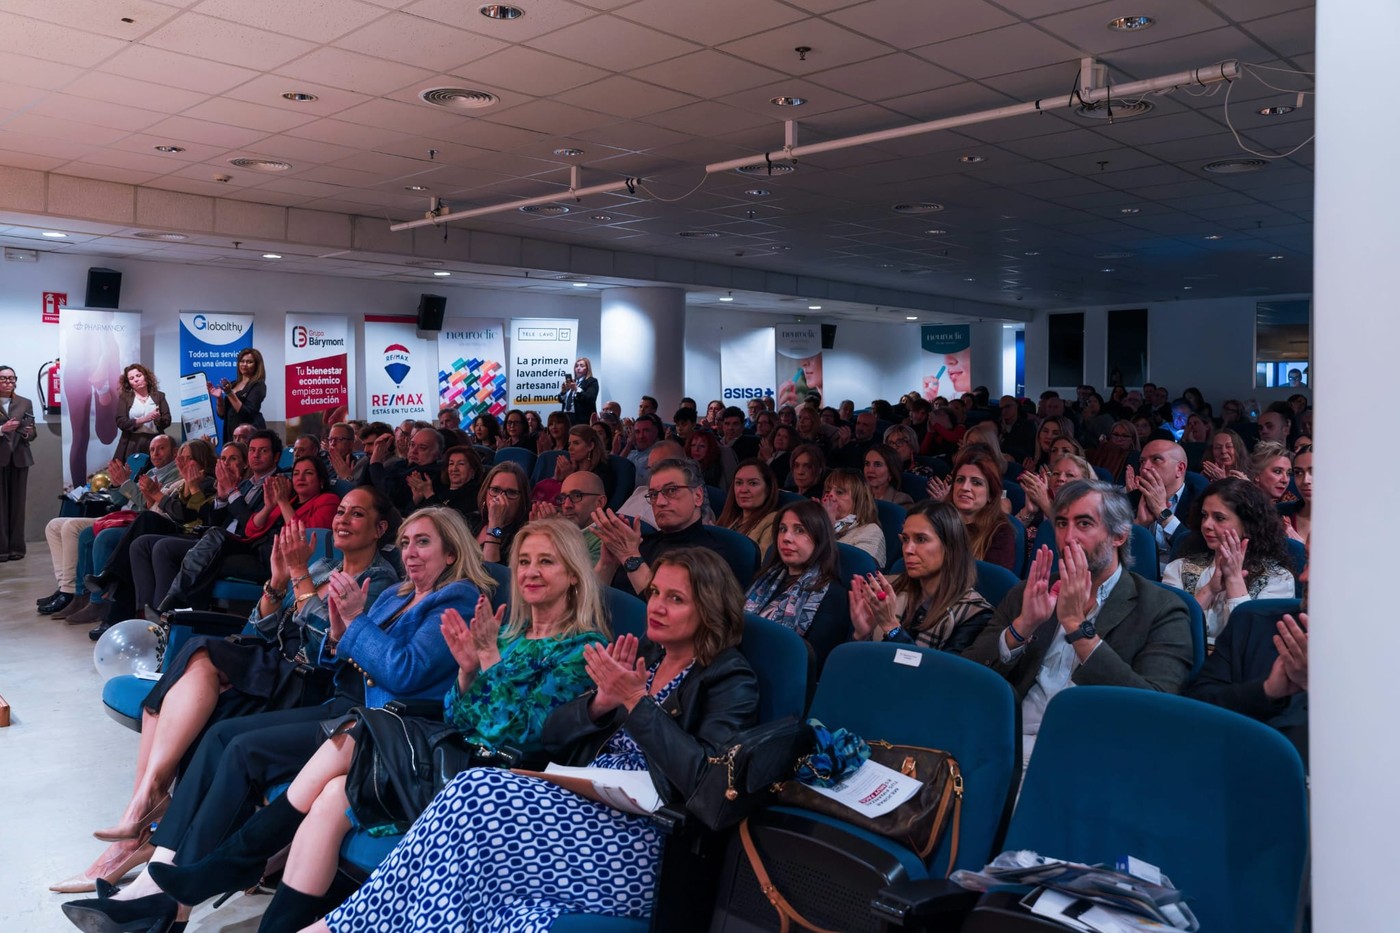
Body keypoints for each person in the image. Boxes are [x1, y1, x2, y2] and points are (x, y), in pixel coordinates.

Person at [150, 520, 612, 932]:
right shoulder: (506, 632)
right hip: (449, 754)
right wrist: (469, 672)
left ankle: (227, 866)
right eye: (525, 560)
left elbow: (520, 736)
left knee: (357, 728)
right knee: (332, 793)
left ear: (573, 573)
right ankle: (264, 909)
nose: (530, 571)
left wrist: (485, 662)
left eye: (546, 562)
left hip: (488, 788)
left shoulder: (583, 648)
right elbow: (458, 713)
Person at [60, 508, 488, 933]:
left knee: (246, 750)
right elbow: (337, 658)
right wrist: (340, 634)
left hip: (388, 726)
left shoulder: (458, 598)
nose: (411, 552)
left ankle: (171, 893)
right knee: (221, 735)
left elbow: (404, 671)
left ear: (450, 553)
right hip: (351, 709)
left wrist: (355, 624)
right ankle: (162, 870)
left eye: (424, 542)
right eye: (408, 541)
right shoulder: (397, 593)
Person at [300, 547, 758, 933]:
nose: (655, 606)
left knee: (476, 790)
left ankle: (337, 927)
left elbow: (706, 784)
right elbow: (554, 736)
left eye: (674, 598)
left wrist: (636, 703)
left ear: (710, 608)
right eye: (655, 592)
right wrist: (600, 704)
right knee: (502, 907)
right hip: (586, 809)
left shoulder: (728, 677)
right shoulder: (648, 658)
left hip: (645, 843)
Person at [50, 490, 401, 894]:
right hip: (275, 668)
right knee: (175, 693)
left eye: (356, 515)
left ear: (379, 529)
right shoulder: (321, 566)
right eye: (340, 511)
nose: (342, 520)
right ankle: (144, 820)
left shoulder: (379, 585)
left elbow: (329, 652)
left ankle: (145, 822)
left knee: (201, 662)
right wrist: (275, 582)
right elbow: (260, 631)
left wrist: (298, 577)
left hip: (310, 684)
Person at [963, 480, 1194, 768]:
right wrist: (1021, 629)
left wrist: (1077, 626)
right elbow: (969, 674)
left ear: (1119, 536)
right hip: (1005, 737)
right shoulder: (1031, 591)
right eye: (1061, 523)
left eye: (1084, 524)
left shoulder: (1162, 608)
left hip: (1089, 752)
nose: (1067, 537)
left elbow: (1155, 710)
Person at [153, 454, 341, 614]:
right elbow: (251, 529)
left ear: (321, 480)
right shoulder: (290, 499)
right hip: (254, 547)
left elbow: (307, 536)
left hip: (278, 561)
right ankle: (176, 605)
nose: (300, 478)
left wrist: (282, 503)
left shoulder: (327, 500)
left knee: (208, 561)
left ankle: (177, 609)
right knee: (215, 534)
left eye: (308, 474)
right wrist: (269, 507)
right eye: (297, 473)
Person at [82, 440, 219, 638]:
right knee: (138, 544)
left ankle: (111, 581)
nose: (184, 463)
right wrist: (149, 495)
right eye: (182, 458)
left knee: (144, 524)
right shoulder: (179, 481)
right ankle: (138, 613)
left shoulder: (205, 482)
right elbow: (144, 504)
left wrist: (156, 494)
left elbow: (187, 515)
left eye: (190, 458)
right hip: (160, 525)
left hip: (185, 532)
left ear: (202, 461)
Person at [38, 435, 177, 618]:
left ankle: (82, 596)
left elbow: (148, 504)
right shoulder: (150, 472)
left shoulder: (175, 473)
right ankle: (66, 588)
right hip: (122, 515)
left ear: (175, 452)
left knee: (75, 528)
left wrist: (126, 484)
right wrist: (116, 483)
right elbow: (118, 500)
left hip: (136, 520)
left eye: (161, 448)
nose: (155, 453)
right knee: (54, 526)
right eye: (152, 449)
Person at [848, 500, 992, 654]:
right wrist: (862, 635)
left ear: (950, 546)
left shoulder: (975, 615)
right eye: (905, 539)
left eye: (921, 539)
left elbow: (936, 675)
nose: (908, 550)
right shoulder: (891, 589)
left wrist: (891, 626)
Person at [1162, 478, 1295, 640]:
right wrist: (1209, 590)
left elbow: (1252, 642)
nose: (1206, 525)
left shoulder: (1279, 579)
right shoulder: (1179, 568)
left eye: (1219, 518)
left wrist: (1234, 580)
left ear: (1247, 525)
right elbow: (1168, 632)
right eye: (1205, 516)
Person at [1185, 601, 1309, 763]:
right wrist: (1265, 690)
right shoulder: (1251, 623)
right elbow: (1197, 707)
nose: (1304, 577)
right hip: (1239, 764)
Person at [593, 458, 727, 597]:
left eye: (672, 490)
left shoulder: (712, 556)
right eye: (653, 495)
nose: (660, 502)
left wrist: (630, 557)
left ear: (698, 496)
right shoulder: (640, 544)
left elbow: (665, 609)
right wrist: (607, 564)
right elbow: (589, 601)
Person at [745, 499, 850, 671]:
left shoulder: (833, 596)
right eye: (783, 529)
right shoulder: (765, 578)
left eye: (799, 530)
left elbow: (812, 663)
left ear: (819, 537)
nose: (786, 538)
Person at [931, 447, 1016, 572]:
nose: (965, 487)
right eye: (960, 480)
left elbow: (991, 584)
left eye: (976, 483)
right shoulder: (936, 521)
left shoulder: (1001, 534)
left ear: (991, 495)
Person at [1128, 439, 1207, 564]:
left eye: (1156, 459)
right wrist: (1139, 525)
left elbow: (1198, 551)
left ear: (1179, 469)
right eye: (1142, 461)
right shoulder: (1131, 500)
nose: (1144, 468)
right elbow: (1114, 550)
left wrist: (1163, 514)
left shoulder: (1201, 501)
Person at [0, 364, 36, 561]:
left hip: (20, 458)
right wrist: (2, 429)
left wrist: (30, 432)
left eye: (12, 378)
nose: (9, 382)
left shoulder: (25, 402)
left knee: (18, 506)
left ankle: (16, 549)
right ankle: (1, 550)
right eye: (4, 378)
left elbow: (32, 431)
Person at [367, 426, 444, 514]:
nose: (414, 451)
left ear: (437, 454)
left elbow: (389, 491)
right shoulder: (401, 464)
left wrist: (375, 461)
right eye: (412, 444)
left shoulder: (429, 473)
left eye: (422, 448)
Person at [820, 469, 887, 567]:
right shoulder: (815, 525)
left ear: (858, 500)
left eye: (839, 492)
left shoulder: (871, 531)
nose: (831, 496)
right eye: (827, 490)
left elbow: (857, 569)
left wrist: (828, 527)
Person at [470, 461, 530, 565]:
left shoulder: (521, 537)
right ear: (485, 492)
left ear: (522, 500)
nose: (500, 498)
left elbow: (490, 573)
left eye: (511, 492)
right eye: (495, 490)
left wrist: (495, 526)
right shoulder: (472, 520)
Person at [717, 458, 780, 557]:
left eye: (753, 483)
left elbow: (760, 563)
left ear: (768, 489)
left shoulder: (773, 521)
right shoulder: (731, 519)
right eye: (739, 483)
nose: (743, 490)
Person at [113, 363, 172, 461]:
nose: (136, 379)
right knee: (132, 473)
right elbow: (121, 422)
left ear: (146, 377)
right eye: (131, 378)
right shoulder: (124, 398)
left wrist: (156, 418)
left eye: (138, 375)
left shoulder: (159, 396)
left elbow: (167, 420)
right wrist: (143, 419)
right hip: (133, 442)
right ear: (129, 383)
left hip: (155, 441)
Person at [210, 348, 267, 445]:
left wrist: (229, 393)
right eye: (242, 361)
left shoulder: (258, 385)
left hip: (248, 436)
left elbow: (246, 413)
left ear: (257, 365)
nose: (244, 364)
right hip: (231, 434)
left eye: (249, 362)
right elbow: (222, 415)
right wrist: (219, 399)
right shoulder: (233, 384)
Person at [410, 445, 482, 520]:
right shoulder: (439, 488)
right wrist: (417, 500)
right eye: (451, 464)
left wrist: (428, 493)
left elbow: (447, 521)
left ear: (473, 470)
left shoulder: (474, 494)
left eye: (461, 464)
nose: (454, 468)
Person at [862, 443, 912, 508]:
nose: (870, 470)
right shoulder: (855, 496)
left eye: (878, 465)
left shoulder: (902, 501)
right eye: (867, 464)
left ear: (891, 472)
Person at [1283, 446, 1313, 551]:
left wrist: (1300, 546)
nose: (1306, 480)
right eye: (1298, 472)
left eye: (1313, 471)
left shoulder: (1348, 519)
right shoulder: (1279, 513)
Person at [1250, 441, 1295, 506]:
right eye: (1278, 472)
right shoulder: (1242, 504)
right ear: (1257, 474)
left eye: (1288, 473)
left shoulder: (1292, 506)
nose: (1285, 480)